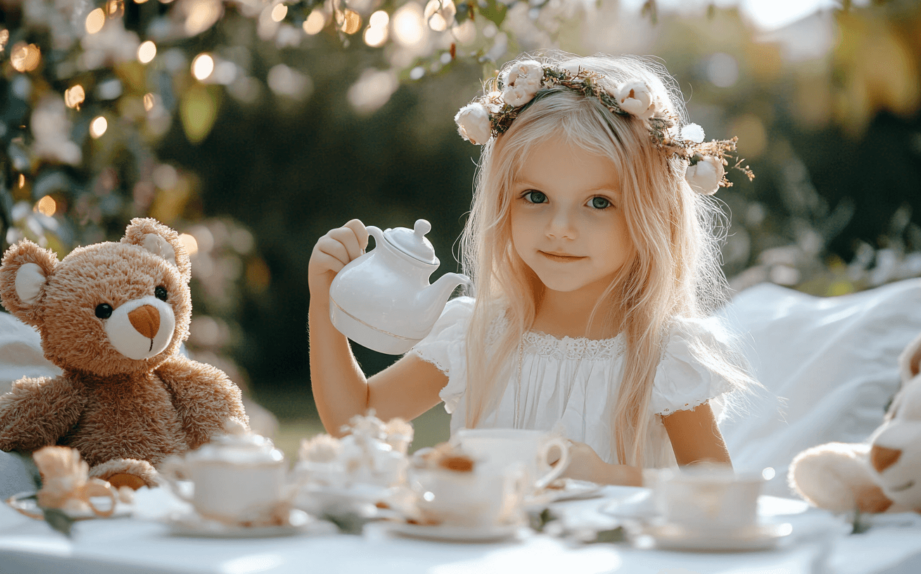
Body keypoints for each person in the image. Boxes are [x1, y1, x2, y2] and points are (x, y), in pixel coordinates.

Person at [308, 52, 756, 486]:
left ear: (653, 214)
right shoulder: (478, 334)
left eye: (598, 202)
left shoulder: (661, 355)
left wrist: (611, 478)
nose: (559, 228)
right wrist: (326, 299)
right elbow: (353, 426)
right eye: (535, 197)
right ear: (503, 200)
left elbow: (715, 494)